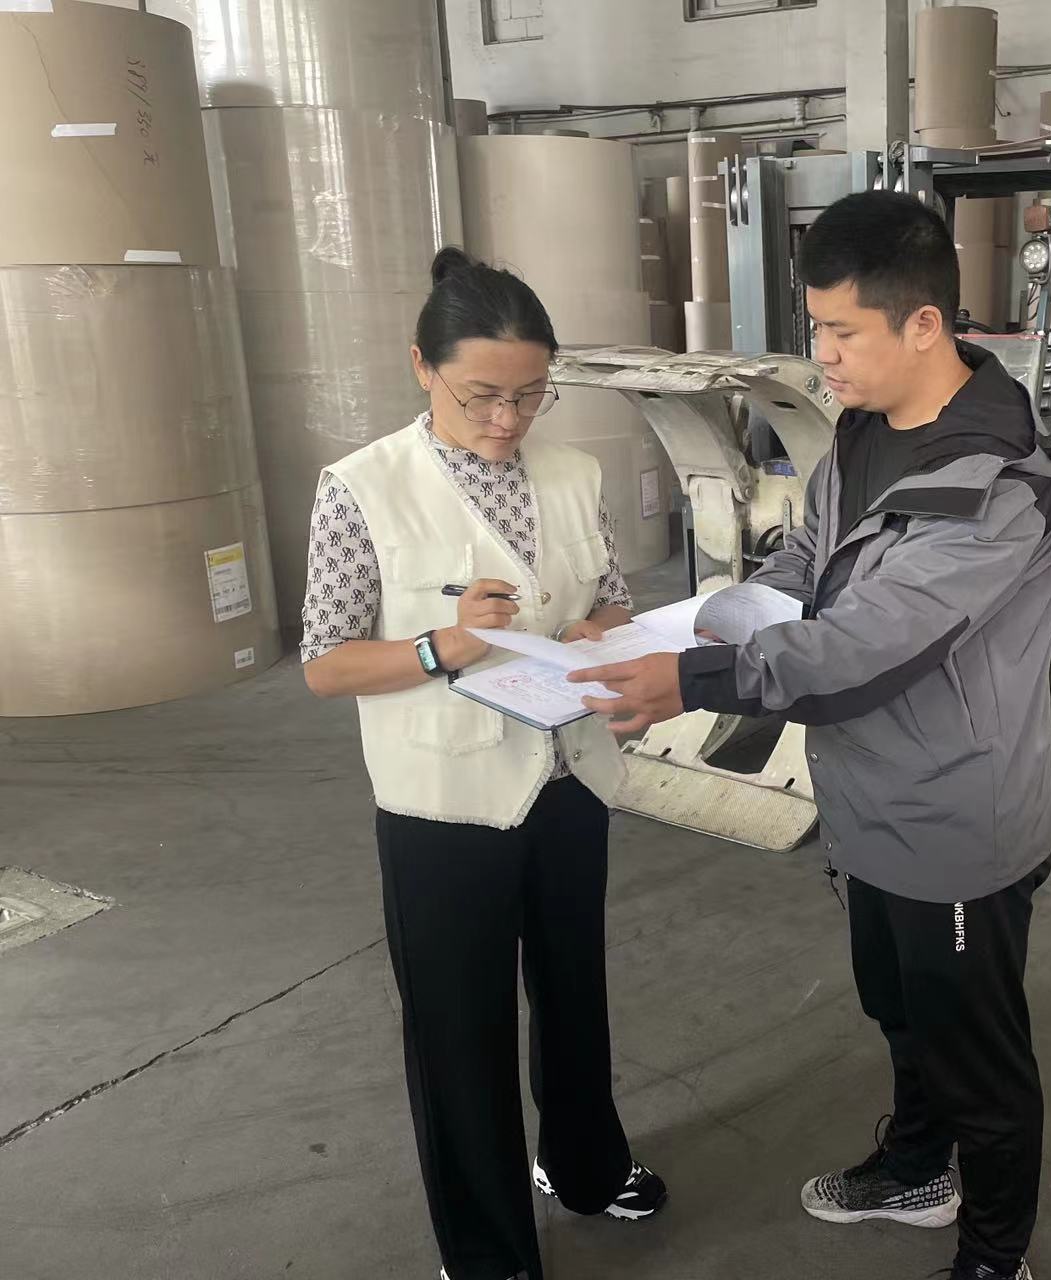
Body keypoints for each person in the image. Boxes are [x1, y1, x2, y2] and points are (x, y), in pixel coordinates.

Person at [570, 191, 1051, 1280]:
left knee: (979, 1061)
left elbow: (860, 652)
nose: (824, 356)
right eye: (817, 329)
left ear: (924, 324)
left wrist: (692, 678)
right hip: (865, 805)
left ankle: (994, 1258)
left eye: (843, 331)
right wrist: (709, 610)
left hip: (954, 822)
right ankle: (918, 1168)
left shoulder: (999, 489)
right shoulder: (862, 433)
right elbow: (813, 557)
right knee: (900, 1013)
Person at [300, 247, 666, 1280]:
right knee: (458, 1031)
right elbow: (326, 664)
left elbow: (612, 596)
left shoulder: (571, 472)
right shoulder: (362, 488)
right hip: (443, 805)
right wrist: (441, 645)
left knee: (575, 996)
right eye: (482, 396)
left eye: (530, 395)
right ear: (423, 367)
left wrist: (600, 629)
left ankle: (586, 1165)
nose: (508, 420)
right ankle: (487, 1250)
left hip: (568, 779)